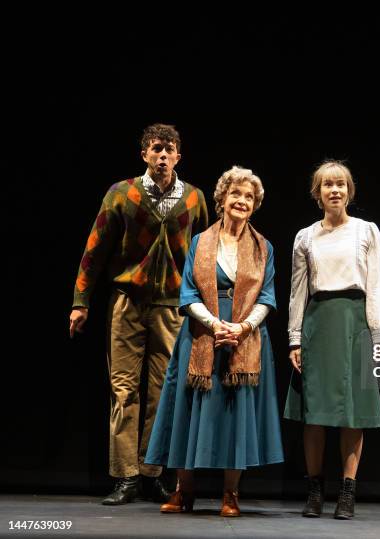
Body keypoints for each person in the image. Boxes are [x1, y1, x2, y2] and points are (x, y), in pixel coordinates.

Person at [69, 124, 208, 505]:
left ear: (179, 155)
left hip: (172, 307)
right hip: (127, 302)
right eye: (156, 149)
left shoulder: (194, 198)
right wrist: (81, 301)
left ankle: (152, 472)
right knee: (124, 389)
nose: (163, 156)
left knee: (163, 393)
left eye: (169, 150)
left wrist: (207, 309)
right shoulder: (122, 193)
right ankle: (125, 476)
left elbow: (204, 256)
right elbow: (95, 249)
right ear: (144, 154)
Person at [145, 166, 283, 517]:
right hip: (202, 333)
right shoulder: (200, 242)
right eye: (236, 194)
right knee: (187, 410)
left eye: (249, 197)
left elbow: (267, 298)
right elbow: (188, 293)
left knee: (235, 415)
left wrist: (241, 329)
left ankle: (230, 495)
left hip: (244, 340)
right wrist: (215, 323)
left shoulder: (263, 247)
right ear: (222, 199)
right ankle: (183, 491)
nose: (242, 201)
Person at [284, 160, 380, 520]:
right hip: (318, 322)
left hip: (354, 322)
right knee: (314, 414)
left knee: (352, 414)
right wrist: (295, 339)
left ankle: (347, 492)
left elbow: (376, 285)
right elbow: (298, 291)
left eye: (341, 184)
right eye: (328, 185)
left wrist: (379, 337)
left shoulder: (366, 231)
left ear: (349, 191)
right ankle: (315, 491)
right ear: (318, 193)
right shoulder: (306, 237)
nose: (335, 190)